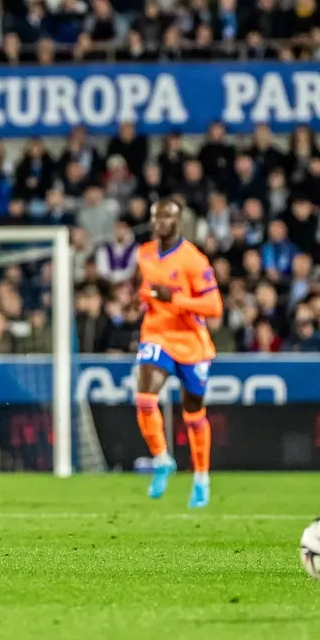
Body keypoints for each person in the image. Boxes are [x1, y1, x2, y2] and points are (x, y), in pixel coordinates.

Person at [133, 197, 224, 509]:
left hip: (190, 341)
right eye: (156, 216)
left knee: (193, 413)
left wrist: (177, 299)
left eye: (167, 217)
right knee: (145, 398)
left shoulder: (194, 259)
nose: (160, 222)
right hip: (157, 333)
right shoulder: (144, 254)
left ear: (178, 221)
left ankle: (201, 478)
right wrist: (143, 299)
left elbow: (214, 307)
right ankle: (161, 459)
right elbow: (145, 290)